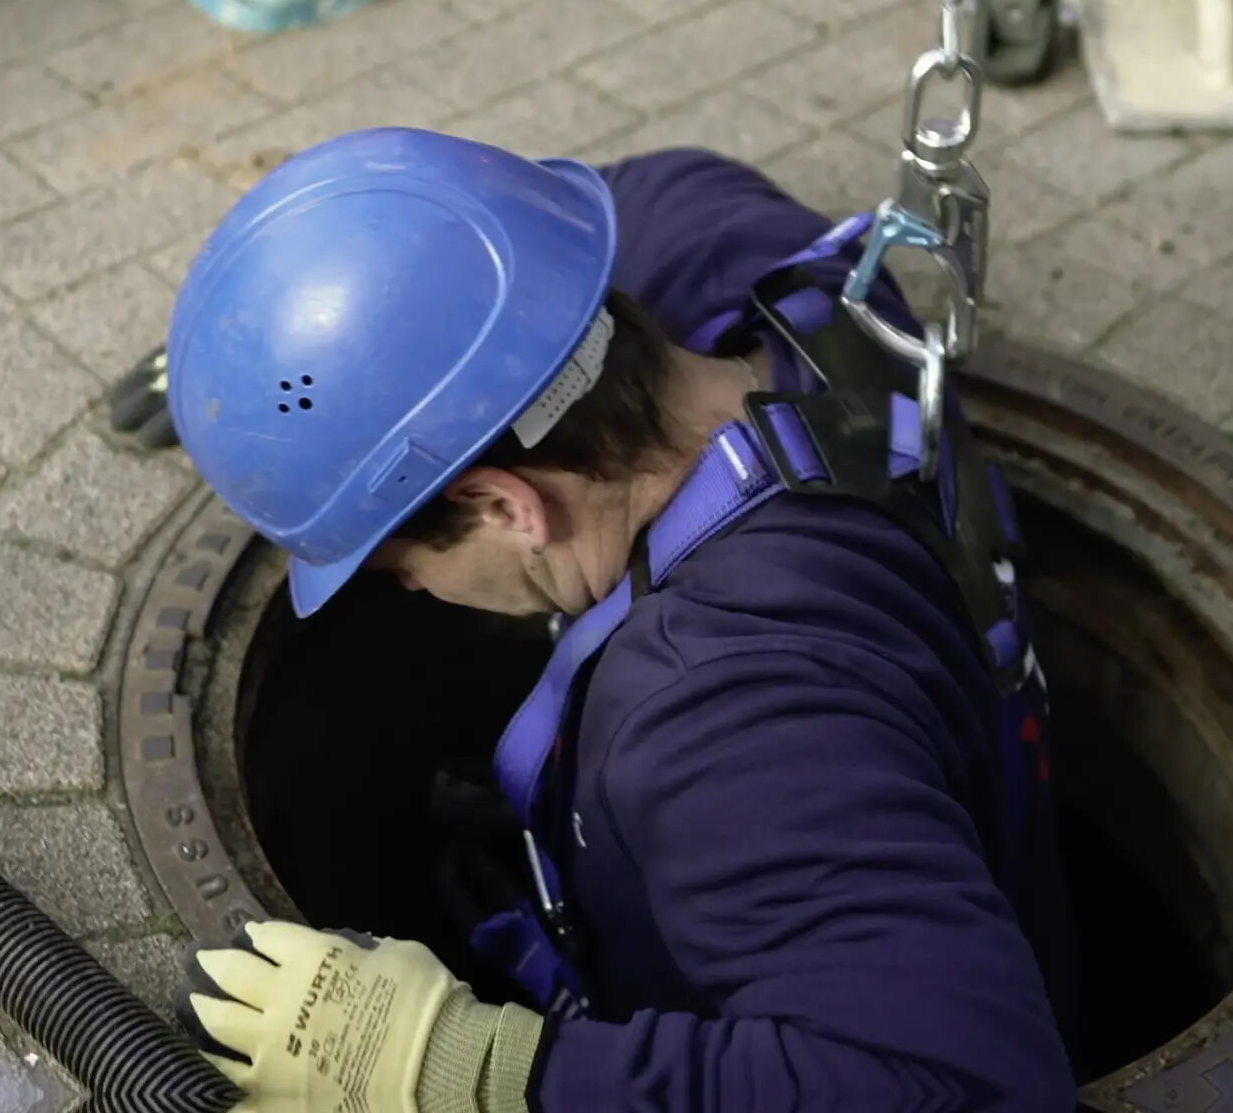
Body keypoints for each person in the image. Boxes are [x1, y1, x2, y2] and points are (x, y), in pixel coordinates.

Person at [149, 129, 1078, 1112]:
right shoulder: (755, 262)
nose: (412, 590)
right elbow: (569, 207)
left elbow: (970, 1086)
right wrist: (270, 362)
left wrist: (473, 1067)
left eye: (399, 564)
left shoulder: (723, 724)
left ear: (505, 507)